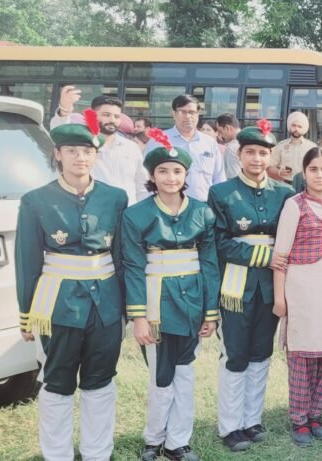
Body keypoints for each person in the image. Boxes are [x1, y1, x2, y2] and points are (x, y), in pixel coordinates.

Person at [16, 118, 128, 461]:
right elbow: (27, 260)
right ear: (58, 154)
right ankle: (57, 454)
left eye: (87, 151)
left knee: (100, 380)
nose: (81, 157)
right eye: (72, 151)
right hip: (58, 304)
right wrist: (26, 313)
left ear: (96, 155)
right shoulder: (36, 200)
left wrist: (128, 309)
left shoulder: (115, 197)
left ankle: (97, 452)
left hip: (106, 304)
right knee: (57, 382)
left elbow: (123, 258)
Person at [123, 131, 221, 461]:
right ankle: (154, 438)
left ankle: (178, 441)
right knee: (160, 374)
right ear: (152, 175)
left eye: (177, 171)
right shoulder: (136, 215)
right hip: (156, 304)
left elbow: (208, 263)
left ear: (186, 175)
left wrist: (210, 312)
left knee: (186, 371)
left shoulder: (203, 213)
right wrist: (139, 316)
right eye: (163, 171)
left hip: (192, 302)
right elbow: (133, 267)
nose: (171, 177)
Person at [207, 120, 295, 452]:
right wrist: (263, 255)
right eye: (250, 152)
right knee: (235, 354)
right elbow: (217, 242)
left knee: (261, 352)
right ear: (239, 154)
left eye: (263, 153)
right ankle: (230, 426)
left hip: (272, 286)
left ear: (270, 156)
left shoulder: (285, 194)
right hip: (236, 285)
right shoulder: (221, 193)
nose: (257, 159)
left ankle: (251, 419)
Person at [272, 147, 322, 447]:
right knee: (303, 355)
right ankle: (299, 418)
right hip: (301, 287)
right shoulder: (294, 205)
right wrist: (281, 299)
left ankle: (316, 413)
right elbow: (280, 255)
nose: (319, 175)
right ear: (304, 173)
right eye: (313, 169)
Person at [53, 88, 148, 206]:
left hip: (127, 215)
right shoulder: (83, 144)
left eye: (116, 116)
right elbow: (60, 131)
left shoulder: (131, 148)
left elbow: (142, 185)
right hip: (92, 213)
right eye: (106, 115)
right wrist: (65, 109)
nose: (112, 120)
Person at [144, 94, 226, 202]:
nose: (188, 116)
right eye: (182, 112)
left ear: (197, 114)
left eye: (192, 112)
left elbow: (219, 179)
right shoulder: (158, 141)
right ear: (174, 114)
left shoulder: (209, 143)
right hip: (167, 206)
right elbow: (145, 175)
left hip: (202, 207)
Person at [268, 112, 317, 184]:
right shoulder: (280, 146)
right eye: (294, 125)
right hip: (285, 184)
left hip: (305, 184)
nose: (296, 129)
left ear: (304, 129)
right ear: (289, 126)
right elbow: (269, 167)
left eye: (299, 126)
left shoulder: (312, 147)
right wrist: (279, 172)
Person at [216, 113, 242, 179]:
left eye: (220, 131)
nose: (220, 136)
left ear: (227, 128)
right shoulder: (248, 142)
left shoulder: (231, 148)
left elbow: (234, 177)